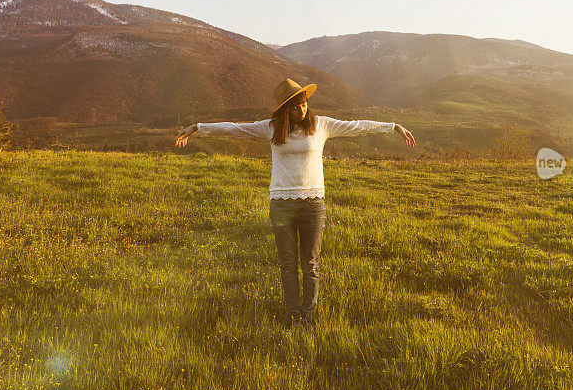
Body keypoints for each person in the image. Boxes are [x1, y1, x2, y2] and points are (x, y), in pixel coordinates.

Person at [175, 78, 416, 328]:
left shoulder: (321, 125)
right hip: (281, 205)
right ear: (284, 110)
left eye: (303, 104)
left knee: (310, 265)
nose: (300, 110)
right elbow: (235, 128)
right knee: (288, 264)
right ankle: (294, 317)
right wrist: (197, 127)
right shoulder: (270, 128)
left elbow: (356, 126)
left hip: (313, 205)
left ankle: (308, 317)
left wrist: (393, 126)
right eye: (294, 107)